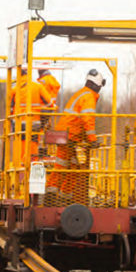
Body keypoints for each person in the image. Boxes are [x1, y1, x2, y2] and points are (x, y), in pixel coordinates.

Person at [46, 69, 104, 206]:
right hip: (69, 136)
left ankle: (63, 199)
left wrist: (86, 139)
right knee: (62, 166)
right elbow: (87, 119)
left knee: (73, 168)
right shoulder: (88, 97)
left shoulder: (81, 93)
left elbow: (80, 120)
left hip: (69, 136)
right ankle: (50, 198)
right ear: (97, 85)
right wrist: (92, 140)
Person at [8, 67, 55, 164]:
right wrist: (44, 114)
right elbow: (50, 104)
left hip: (18, 123)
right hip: (34, 122)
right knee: (33, 143)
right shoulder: (37, 86)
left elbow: (9, 108)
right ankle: (32, 164)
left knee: (19, 142)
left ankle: (19, 164)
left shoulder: (14, 88)